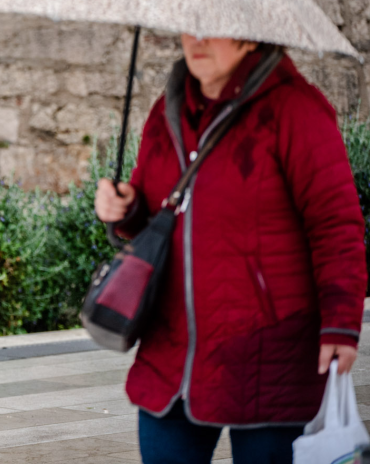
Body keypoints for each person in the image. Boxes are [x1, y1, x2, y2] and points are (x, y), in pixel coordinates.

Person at [95, 35, 367, 464]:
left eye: (214, 29)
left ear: (247, 39)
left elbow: (336, 226)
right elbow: (152, 212)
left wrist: (340, 325)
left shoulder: (297, 110)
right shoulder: (167, 112)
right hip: (172, 354)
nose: (197, 40)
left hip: (268, 358)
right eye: (190, 27)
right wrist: (123, 209)